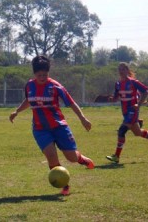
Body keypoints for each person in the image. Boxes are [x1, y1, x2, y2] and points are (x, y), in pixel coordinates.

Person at [9, 55, 94, 196]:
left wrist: (83, 119)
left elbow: (71, 103)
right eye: (39, 74)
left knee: (71, 158)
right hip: (40, 129)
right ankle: (64, 184)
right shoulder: (29, 86)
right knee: (51, 157)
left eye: (45, 74)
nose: (42, 77)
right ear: (34, 74)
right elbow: (29, 100)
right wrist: (17, 111)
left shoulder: (55, 86)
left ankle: (82, 159)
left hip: (59, 127)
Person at [106, 62, 148, 164]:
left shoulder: (133, 82)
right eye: (119, 69)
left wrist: (138, 104)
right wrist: (112, 99)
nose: (121, 71)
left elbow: (145, 92)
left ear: (127, 70)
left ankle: (116, 156)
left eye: (123, 69)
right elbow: (116, 97)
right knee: (137, 133)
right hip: (125, 112)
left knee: (121, 131)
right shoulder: (118, 84)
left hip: (132, 111)